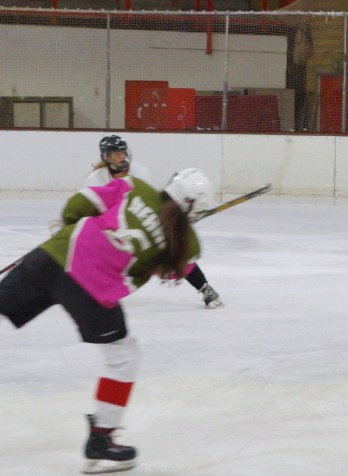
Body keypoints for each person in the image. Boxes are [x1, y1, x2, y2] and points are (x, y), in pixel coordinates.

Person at [0, 168, 214, 474]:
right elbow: (171, 273)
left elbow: (79, 204)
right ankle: (101, 439)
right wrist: (177, 234)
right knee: (124, 356)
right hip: (90, 289)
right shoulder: (185, 242)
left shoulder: (135, 185)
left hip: (53, 256)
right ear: (192, 207)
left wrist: (72, 233)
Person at [88, 135, 223, 308]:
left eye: (123, 152)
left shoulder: (140, 172)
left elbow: (152, 202)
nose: (121, 156)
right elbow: (93, 208)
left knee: (174, 252)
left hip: (140, 218)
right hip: (115, 223)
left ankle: (205, 288)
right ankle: (92, 291)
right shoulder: (96, 179)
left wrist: (172, 222)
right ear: (106, 157)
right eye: (116, 153)